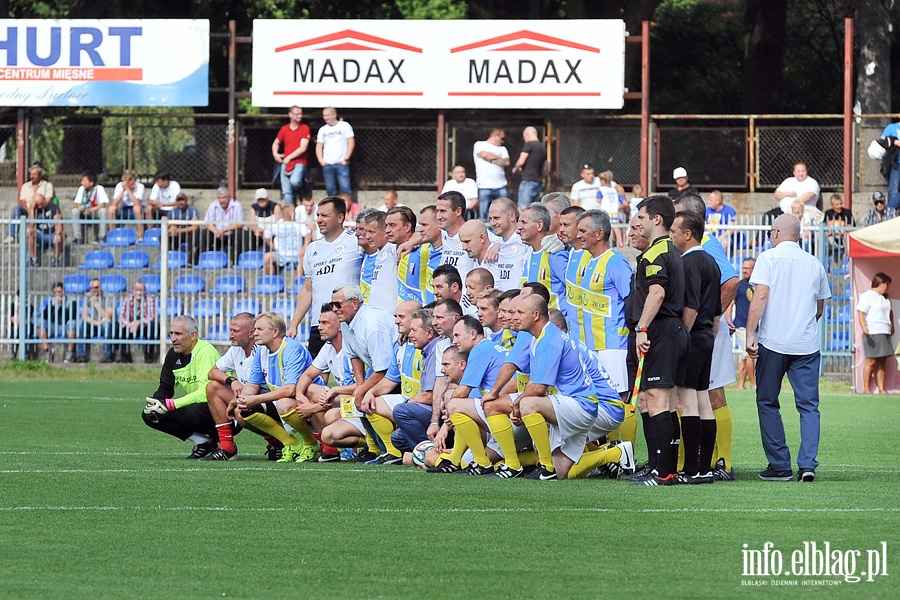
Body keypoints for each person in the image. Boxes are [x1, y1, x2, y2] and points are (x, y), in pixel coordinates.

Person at [746, 214, 831, 483]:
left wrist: (750, 332)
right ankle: (807, 465)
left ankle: (780, 465)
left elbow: (761, 294)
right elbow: (820, 307)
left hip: (774, 342)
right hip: (806, 344)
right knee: (808, 407)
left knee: (768, 401)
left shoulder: (768, 258)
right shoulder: (815, 263)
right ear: (800, 235)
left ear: (775, 233)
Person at [630, 195, 690, 486]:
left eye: (641, 217)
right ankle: (660, 467)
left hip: (662, 330)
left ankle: (665, 472)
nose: (637, 224)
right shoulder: (667, 251)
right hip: (669, 330)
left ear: (656, 220)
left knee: (659, 400)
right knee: (653, 399)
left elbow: (657, 293)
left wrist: (642, 327)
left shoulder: (657, 253)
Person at [670, 210, 722, 483]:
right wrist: (709, 335)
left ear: (687, 234)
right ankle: (705, 467)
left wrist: (681, 337)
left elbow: (690, 307)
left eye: (674, 231)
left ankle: (691, 468)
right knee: (704, 401)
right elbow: (716, 310)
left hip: (692, 338)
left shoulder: (689, 263)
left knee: (686, 400)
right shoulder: (711, 261)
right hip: (706, 338)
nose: (672, 236)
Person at [228, 313, 320, 463]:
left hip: (310, 403)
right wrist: (243, 400)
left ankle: (311, 443)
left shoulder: (291, 349)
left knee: (284, 403)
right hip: (282, 401)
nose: (255, 332)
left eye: (259, 329)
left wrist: (255, 399)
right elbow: (252, 384)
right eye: (255, 328)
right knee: (243, 410)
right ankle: (291, 444)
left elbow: (290, 390)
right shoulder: (260, 350)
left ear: (275, 332)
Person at [568, 210, 633, 402]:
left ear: (599, 233)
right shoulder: (588, 261)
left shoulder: (615, 261)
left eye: (583, 231)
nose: (578, 235)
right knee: (597, 398)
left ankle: (626, 434)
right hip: (592, 343)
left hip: (613, 343)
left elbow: (631, 301)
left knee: (617, 396)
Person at [288, 197, 362, 358]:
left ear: (340, 217)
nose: (319, 220)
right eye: (318, 215)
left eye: (325, 216)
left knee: (352, 374)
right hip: (319, 322)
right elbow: (308, 290)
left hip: (347, 322)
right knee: (313, 376)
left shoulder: (355, 241)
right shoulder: (312, 248)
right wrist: (294, 324)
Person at [141, 315, 222, 459]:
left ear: (193, 335)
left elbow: (205, 393)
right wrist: (156, 402)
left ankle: (225, 442)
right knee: (150, 414)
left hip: (225, 412)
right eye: (171, 333)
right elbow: (165, 388)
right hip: (199, 409)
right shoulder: (173, 354)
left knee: (194, 412)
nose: (173, 338)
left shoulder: (205, 352)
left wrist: (171, 404)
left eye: (178, 333)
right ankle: (203, 442)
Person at [205, 313, 280, 461]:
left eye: (235, 331)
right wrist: (232, 381)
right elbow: (212, 372)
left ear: (251, 332)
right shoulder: (236, 349)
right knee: (213, 387)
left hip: (274, 402)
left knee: (241, 412)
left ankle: (278, 441)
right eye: (230, 330)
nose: (230, 335)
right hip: (250, 399)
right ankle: (227, 447)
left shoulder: (263, 350)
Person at [518, 202, 568, 312]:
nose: (519, 228)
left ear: (539, 225)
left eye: (524, 222)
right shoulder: (529, 253)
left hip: (556, 324)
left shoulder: (555, 254)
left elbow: (573, 290)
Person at [856, 273, 895, 394]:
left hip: (884, 331)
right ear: (880, 283)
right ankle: (866, 389)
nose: (887, 287)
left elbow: (890, 313)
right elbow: (861, 312)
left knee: (882, 361)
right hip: (873, 331)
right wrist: (864, 327)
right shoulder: (867, 296)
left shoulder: (885, 299)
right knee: (871, 361)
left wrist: (892, 325)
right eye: (886, 284)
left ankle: (882, 389)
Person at [356, 208, 398, 313]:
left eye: (371, 232)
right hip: (376, 316)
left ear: (385, 232)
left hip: (390, 316)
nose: (367, 236)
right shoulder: (379, 252)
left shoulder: (393, 248)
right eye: (366, 232)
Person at [272, 105, 311, 215]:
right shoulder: (284, 129)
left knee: (295, 182)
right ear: (290, 115)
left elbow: (303, 147)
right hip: (285, 162)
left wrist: (289, 157)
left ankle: (304, 185)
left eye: (301, 113)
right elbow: (276, 142)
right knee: (286, 191)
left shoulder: (304, 128)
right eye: (297, 114)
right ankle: (290, 214)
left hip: (299, 161)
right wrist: (276, 154)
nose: (300, 116)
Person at [487, 197, 527, 292]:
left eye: (496, 218)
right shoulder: (495, 244)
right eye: (490, 218)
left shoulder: (525, 241)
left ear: (512, 216)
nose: (493, 223)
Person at [316, 107, 355, 202]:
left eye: (327, 115)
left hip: (341, 163)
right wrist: (321, 160)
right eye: (324, 115)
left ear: (334, 115)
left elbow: (351, 142)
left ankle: (347, 211)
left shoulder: (344, 126)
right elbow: (319, 145)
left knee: (345, 189)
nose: (325, 117)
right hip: (328, 164)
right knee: (330, 190)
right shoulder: (322, 130)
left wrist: (346, 158)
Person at [7, 164, 54, 242]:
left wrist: (39, 204)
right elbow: (23, 201)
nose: (32, 176)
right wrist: (29, 210)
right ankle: (12, 235)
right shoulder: (25, 186)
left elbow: (48, 200)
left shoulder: (47, 185)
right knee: (17, 209)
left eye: (34, 174)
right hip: (27, 210)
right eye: (31, 174)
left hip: (41, 210)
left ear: (40, 175)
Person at [36, 281, 78, 364]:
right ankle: (47, 351)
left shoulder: (71, 301)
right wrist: (52, 306)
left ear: (63, 291)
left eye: (59, 292)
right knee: (40, 322)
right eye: (55, 293)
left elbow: (72, 315)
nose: (58, 294)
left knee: (72, 323)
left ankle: (70, 352)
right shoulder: (51, 302)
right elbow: (44, 316)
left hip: (65, 326)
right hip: (53, 327)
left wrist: (62, 306)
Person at [117, 279, 158, 363]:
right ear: (133, 291)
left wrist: (139, 323)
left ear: (145, 291)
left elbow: (152, 316)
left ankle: (149, 357)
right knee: (119, 328)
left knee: (154, 326)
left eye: (141, 290)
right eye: (137, 290)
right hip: (131, 326)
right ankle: (125, 358)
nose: (139, 293)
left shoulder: (150, 299)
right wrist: (129, 324)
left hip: (144, 326)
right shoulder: (127, 299)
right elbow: (121, 316)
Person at [473, 128, 510, 220]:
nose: (503, 141)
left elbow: (506, 162)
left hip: (501, 185)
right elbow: (484, 155)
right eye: (502, 138)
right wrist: (498, 157)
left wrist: (491, 158)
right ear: (495, 136)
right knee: (484, 213)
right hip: (484, 185)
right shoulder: (480, 144)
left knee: (504, 210)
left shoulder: (503, 148)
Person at [732, 258, 757, 391]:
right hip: (742, 325)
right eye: (744, 267)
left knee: (744, 356)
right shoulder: (740, 285)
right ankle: (754, 384)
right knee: (750, 354)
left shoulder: (757, 285)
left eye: (747, 268)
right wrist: (729, 320)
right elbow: (731, 303)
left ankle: (740, 384)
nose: (744, 270)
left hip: (753, 326)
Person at [203, 186, 244, 262]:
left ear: (229, 197)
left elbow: (239, 224)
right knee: (204, 233)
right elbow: (208, 223)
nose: (222, 200)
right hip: (217, 234)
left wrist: (223, 230)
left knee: (240, 233)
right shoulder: (213, 205)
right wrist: (215, 231)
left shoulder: (237, 205)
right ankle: (205, 259)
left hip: (231, 233)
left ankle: (232, 260)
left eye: (224, 198)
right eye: (219, 198)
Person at [79, 277, 116, 363]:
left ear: (101, 287)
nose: (94, 290)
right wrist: (97, 323)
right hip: (95, 323)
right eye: (92, 288)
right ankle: (81, 355)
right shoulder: (87, 297)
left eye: (96, 287)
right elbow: (84, 316)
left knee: (106, 324)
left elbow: (108, 317)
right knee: (82, 323)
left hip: (105, 325)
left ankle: (107, 356)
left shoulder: (109, 297)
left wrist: (96, 304)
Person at [263, 205, 307, 275]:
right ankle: (270, 280)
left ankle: (299, 282)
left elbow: (308, 235)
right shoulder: (277, 225)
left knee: (304, 257)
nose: (295, 214)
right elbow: (266, 235)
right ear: (288, 214)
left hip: (297, 255)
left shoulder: (298, 224)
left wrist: (304, 248)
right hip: (280, 255)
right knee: (267, 257)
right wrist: (274, 247)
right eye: (293, 212)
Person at [71, 171, 109, 245]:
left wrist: (91, 210)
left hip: (95, 211)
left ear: (91, 182)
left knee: (103, 211)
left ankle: (102, 237)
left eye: (84, 181)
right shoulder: (81, 189)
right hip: (84, 211)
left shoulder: (99, 188)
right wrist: (80, 207)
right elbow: (77, 203)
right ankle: (77, 238)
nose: (82, 182)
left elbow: (102, 204)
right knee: (74, 211)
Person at [26, 193, 63, 267]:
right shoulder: (34, 209)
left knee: (59, 235)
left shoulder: (53, 207)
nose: (40, 206)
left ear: (44, 199)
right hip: (40, 234)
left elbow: (58, 223)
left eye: (41, 204)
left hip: (52, 234)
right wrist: (32, 209)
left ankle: (56, 259)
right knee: (29, 231)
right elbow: (31, 225)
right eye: (37, 204)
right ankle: (33, 259)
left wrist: (58, 233)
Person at [512, 126, 546, 207]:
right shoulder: (542, 147)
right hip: (538, 181)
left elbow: (521, 161)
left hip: (528, 180)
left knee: (523, 207)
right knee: (534, 208)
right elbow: (545, 166)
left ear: (526, 134)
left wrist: (515, 168)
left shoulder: (529, 145)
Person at [166, 193, 203, 266]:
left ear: (186, 201)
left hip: (189, 233)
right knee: (164, 236)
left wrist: (178, 230)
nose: (181, 202)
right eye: (179, 200)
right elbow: (167, 225)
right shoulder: (172, 212)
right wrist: (171, 230)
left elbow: (195, 227)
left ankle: (190, 261)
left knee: (195, 235)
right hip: (177, 234)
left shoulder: (192, 210)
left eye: (182, 200)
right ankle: (169, 259)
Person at [108, 170, 145, 240]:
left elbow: (137, 202)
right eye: (130, 183)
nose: (133, 184)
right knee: (111, 208)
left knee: (137, 208)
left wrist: (128, 189)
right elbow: (114, 203)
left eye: (133, 182)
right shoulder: (119, 186)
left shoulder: (140, 186)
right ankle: (112, 234)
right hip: (124, 209)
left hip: (137, 209)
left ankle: (140, 235)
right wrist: (123, 190)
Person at [822, 193, 855, 264]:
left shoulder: (847, 212)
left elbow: (850, 227)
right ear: (832, 205)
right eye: (837, 204)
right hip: (831, 236)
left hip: (843, 235)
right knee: (822, 237)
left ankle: (846, 262)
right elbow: (825, 227)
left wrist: (840, 232)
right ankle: (826, 261)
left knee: (847, 237)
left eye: (840, 204)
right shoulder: (828, 213)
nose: (839, 206)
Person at [597, 170, 624, 247]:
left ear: (603, 180)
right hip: (614, 211)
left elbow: (599, 200)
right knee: (615, 227)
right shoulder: (614, 191)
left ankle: (608, 241)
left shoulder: (601, 190)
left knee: (605, 227)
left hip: (606, 211)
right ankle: (620, 242)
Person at [880, 115, 900, 210]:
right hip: (896, 164)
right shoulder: (891, 127)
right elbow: (881, 141)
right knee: (894, 190)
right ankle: (890, 213)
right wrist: (894, 142)